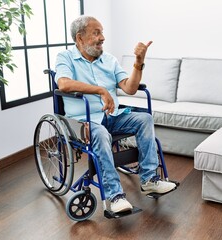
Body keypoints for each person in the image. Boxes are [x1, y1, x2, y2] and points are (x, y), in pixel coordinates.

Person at [55, 15, 176, 213]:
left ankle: (149, 180)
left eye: (102, 32)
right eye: (96, 33)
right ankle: (114, 195)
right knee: (101, 135)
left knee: (144, 118)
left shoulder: (108, 60)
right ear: (80, 38)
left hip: (112, 116)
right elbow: (64, 84)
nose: (102, 37)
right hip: (84, 122)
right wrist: (100, 90)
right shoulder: (65, 58)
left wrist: (138, 62)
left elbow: (130, 88)